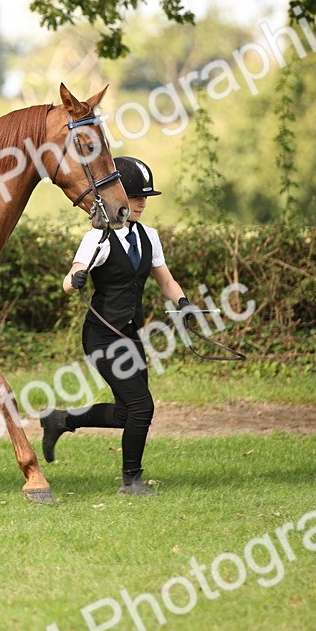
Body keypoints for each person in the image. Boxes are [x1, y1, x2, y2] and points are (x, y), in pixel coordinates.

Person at [41, 156, 199, 495]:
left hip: (131, 335)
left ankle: (62, 420)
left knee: (128, 413)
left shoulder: (149, 237)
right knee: (143, 406)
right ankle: (131, 481)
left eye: (145, 197)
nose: (141, 203)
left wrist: (184, 305)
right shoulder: (96, 238)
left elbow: (166, 282)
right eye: (135, 196)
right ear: (117, 196)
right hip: (100, 336)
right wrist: (77, 278)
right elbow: (69, 283)